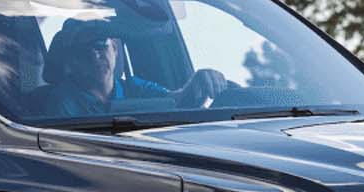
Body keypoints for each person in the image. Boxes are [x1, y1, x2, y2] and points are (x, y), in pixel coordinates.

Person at [28, 19, 227, 119]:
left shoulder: (136, 87)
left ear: (115, 49)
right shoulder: (62, 101)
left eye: (100, 45)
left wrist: (199, 81)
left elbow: (174, 102)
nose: (94, 55)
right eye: (82, 51)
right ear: (70, 62)